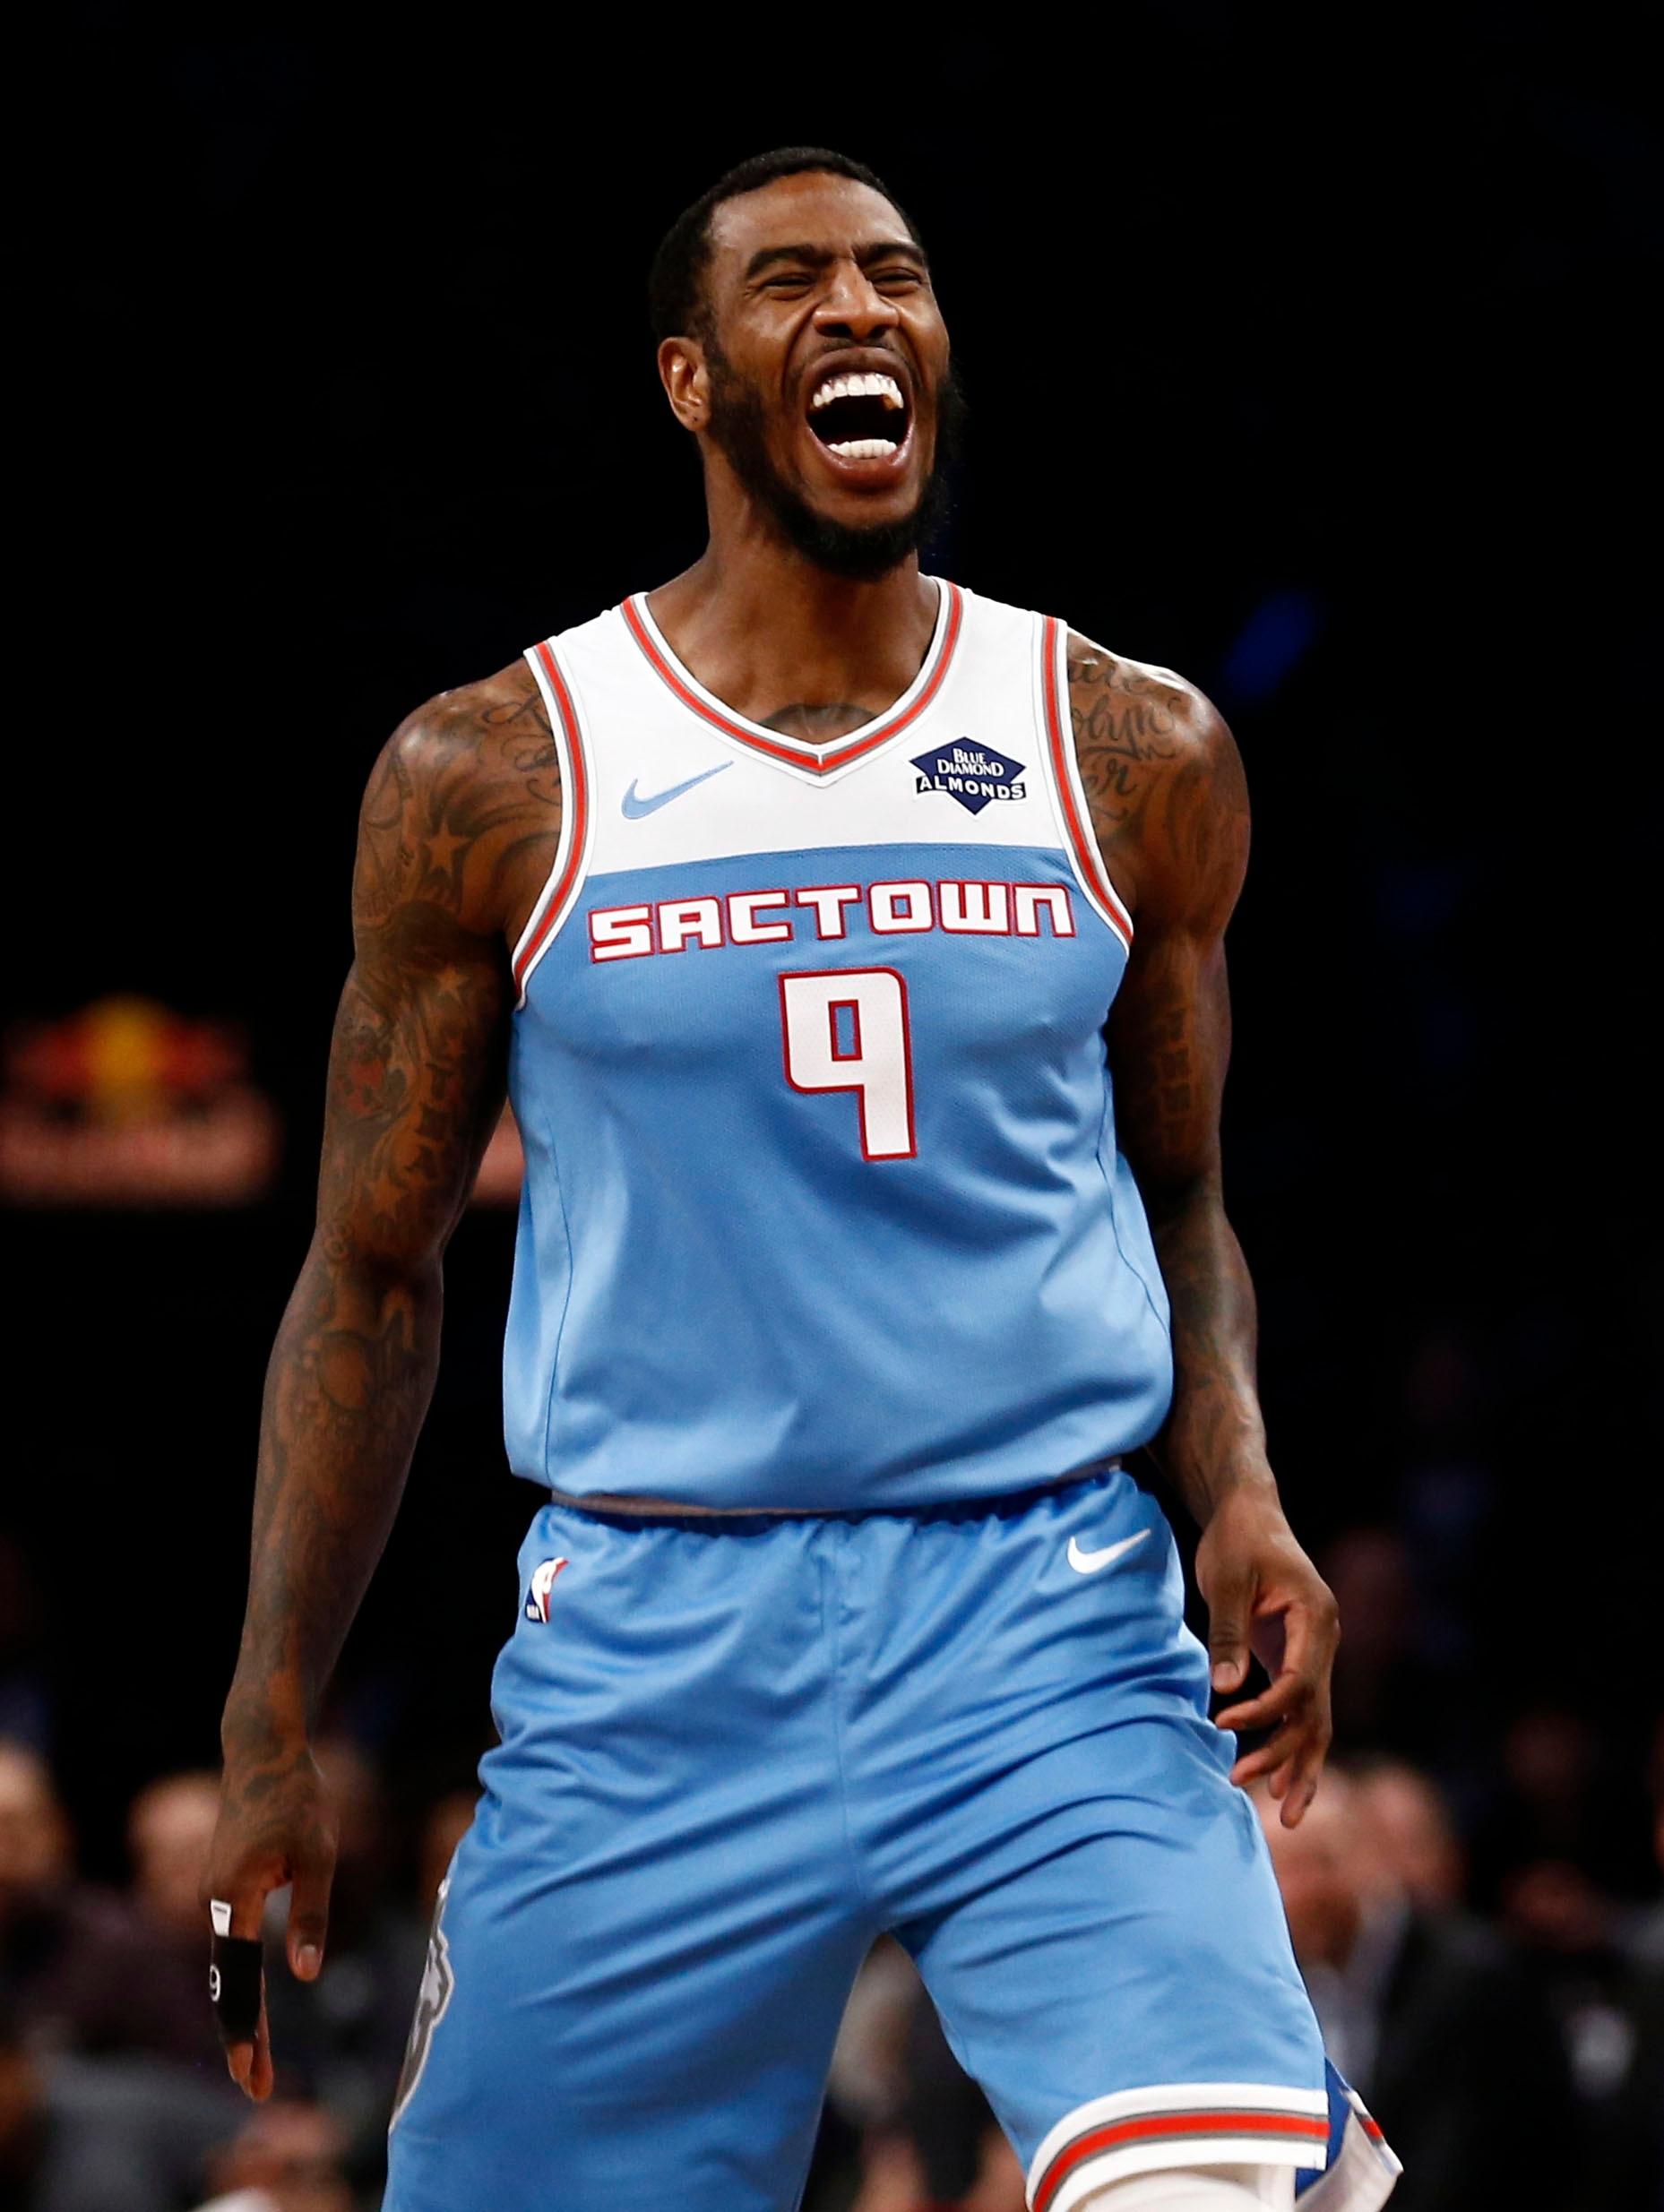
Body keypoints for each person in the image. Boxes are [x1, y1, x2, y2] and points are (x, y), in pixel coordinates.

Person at [205, 146, 1402, 2212]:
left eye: (901, 278)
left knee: (1218, 2197)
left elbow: (1180, 1190)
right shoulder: (496, 773)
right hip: (659, 1633)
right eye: (793, 284)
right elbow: (373, 1272)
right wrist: (268, 1718)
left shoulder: (1125, 744)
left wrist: (1239, 1487)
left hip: (1046, 1608)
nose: (861, 311)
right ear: (688, 377)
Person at [1258, 1771, 1575, 2211]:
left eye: (1313, 1864)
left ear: (1365, 1858)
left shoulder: (1474, 1980)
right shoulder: (1288, 1985)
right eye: (1275, 1871)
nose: (1292, 1894)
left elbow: (1463, 2172)